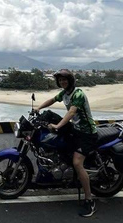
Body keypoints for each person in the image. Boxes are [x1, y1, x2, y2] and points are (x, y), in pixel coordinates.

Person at [35, 69, 98, 217]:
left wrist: (58, 126)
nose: (63, 82)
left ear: (70, 80)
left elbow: (71, 113)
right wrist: (38, 108)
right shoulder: (65, 94)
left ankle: (89, 200)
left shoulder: (78, 94)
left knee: (77, 163)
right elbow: (52, 99)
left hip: (87, 134)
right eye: (60, 80)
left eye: (65, 80)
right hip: (76, 130)